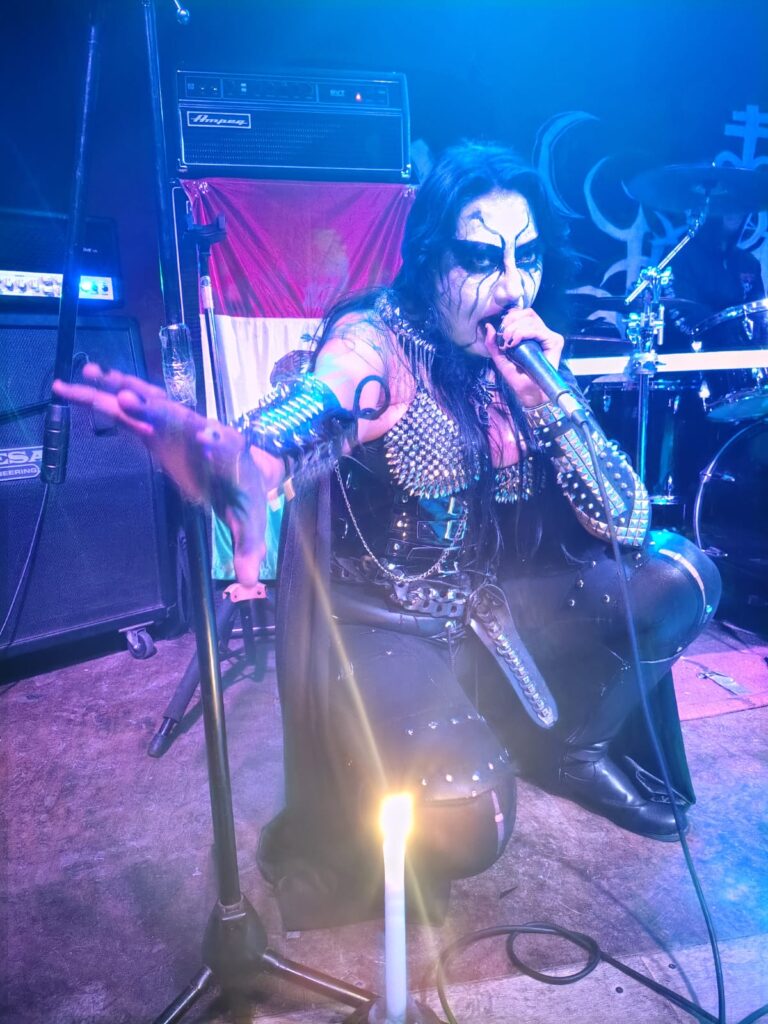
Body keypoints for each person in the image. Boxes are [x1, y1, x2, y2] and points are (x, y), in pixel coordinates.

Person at [54, 143, 721, 931]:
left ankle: (574, 749)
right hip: (389, 623)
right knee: (469, 821)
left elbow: (626, 522)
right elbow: (327, 396)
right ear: (431, 258)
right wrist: (245, 461)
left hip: (496, 610)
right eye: (483, 259)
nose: (513, 286)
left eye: (529, 257)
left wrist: (550, 395)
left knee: (681, 578)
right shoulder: (379, 341)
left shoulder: (523, 358)